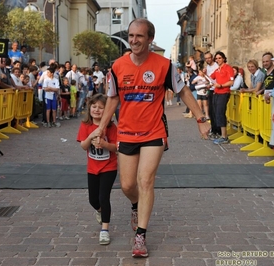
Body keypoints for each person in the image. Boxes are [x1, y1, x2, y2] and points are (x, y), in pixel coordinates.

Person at [94, 18, 210, 258]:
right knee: (127, 185)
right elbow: (113, 99)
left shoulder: (165, 65)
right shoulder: (117, 66)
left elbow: (183, 91)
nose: (134, 40)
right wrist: (103, 127)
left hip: (153, 132)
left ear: (150, 39)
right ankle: (135, 206)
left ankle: (140, 236)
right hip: (126, 132)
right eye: (131, 36)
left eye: (139, 36)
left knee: (145, 180)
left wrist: (201, 119)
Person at [76, 93, 118, 245]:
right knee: (93, 200)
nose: (97, 110)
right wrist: (91, 137)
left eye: (101, 108)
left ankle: (105, 230)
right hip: (92, 167)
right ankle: (100, 211)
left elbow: (116, 147)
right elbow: (83, 146)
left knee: (103, 197)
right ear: (89, 108)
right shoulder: (85, 125)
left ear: (107, 111)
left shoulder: (111, 127)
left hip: (109, 167)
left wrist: (104, 144)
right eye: (94, 107)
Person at [209, 51, 234, 144]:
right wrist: (207, 83)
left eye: (219, 58)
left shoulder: (228, 68)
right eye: (216, 58)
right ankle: (221, 134)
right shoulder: (217, 70)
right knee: (216, 113)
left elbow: (231, 82)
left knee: (220, 113)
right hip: (216, 93)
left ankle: (224, 137)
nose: (218, 60)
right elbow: (210, 78)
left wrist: (221, 85)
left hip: (224, 93)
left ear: (223, 58)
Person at [204, 51, 220, 140]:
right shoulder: (207, 67)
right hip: (210, 90)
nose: (207, 60)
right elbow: (208, 79)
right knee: (211, 111)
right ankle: (213, 129)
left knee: (215, 111)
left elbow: (217, 78)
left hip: (216, 90)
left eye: (209, 58)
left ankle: (217, 130)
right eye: (206, 58)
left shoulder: (216, 66)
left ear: (212, 57)